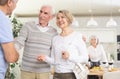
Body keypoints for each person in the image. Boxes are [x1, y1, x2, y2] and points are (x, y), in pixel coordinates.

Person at [37, 10, 88, 79]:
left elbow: (85, 58)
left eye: (62, 17)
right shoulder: (55, 39)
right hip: (57, 75)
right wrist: (45, 58)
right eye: (58, 18)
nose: (60, 20)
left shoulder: (78, 36)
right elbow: (55, 61)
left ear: (68, 19)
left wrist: (70, 57)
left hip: (71, 75)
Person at [14, 5, 57, 79]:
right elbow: (19, 42)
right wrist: (10, 51)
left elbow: (57, 49)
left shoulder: (54, 32)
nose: (41, 15)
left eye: (45, 13)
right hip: (27, 70)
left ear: (51, 17)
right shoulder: (28, 26)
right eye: (41, 12)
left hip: (44, 71)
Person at [0, 0, 19, 78]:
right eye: (16, 3)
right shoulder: (3, 20)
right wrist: (17, 55)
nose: (15, 6)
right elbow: (11, 57)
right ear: (10, 2)